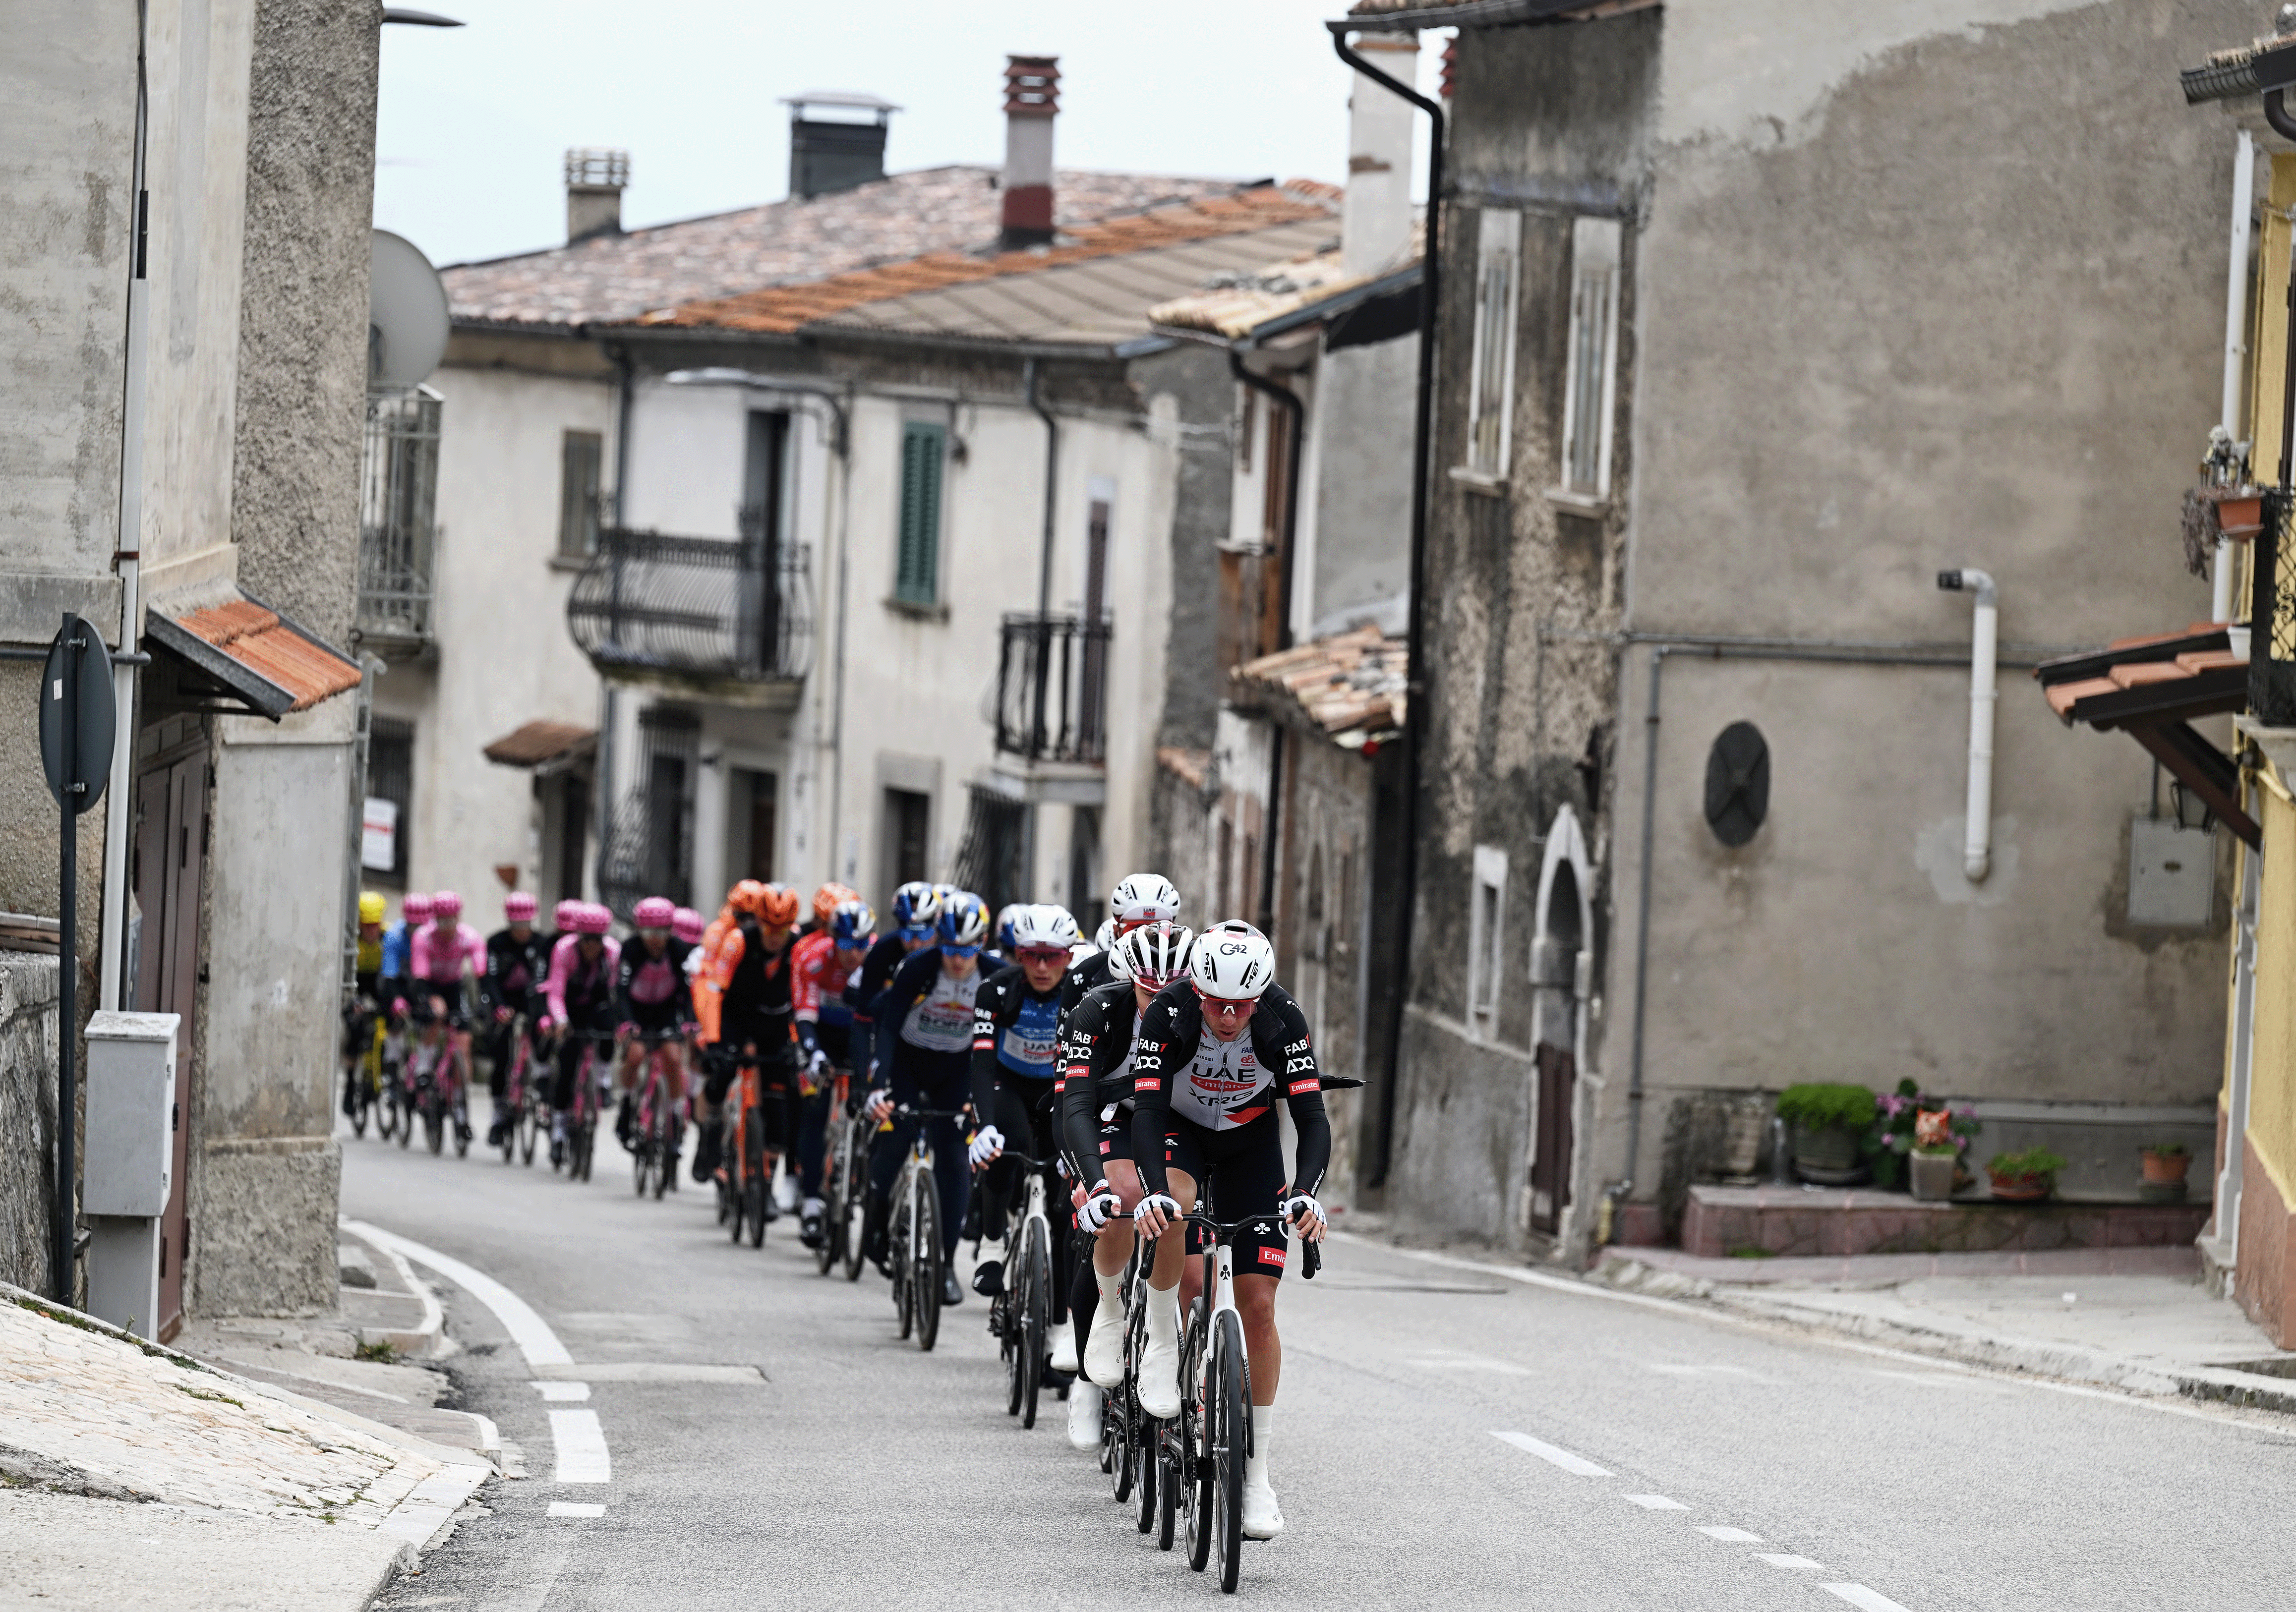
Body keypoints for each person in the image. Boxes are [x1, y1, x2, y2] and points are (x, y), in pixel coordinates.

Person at [1127, 921, 1329, 1541]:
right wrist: (1153, 1188)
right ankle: (1162, 1342)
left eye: (1242, 1005)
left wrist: (1305, 1193)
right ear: (1196, 990)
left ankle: (1257, 1475)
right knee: (1176, 1202)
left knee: (1259, 1307)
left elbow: (1312, 1119)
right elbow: (1147, 1111)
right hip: (1179, 1133)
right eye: (1216, 1003)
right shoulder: (1167, 1014)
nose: (1228, 1016)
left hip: (1249, 1144)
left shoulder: (1281, 1020)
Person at [1058, 920, 1192, 1450]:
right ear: (1131, 981)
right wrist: (1089, 1180)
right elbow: (1075, 1103)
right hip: (1108, 1113)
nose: (1159, 1005)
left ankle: (1189, 1369)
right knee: (1114, 1204)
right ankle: (1091, 1370)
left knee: (1188, 1234)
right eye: (1148, 994)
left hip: (1176, 1122)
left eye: (1171, 994)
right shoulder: (1098, 1009)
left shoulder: (1205, 1014)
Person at [862, 892, 988, 1304]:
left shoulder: (994, 975)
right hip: (908, 1062)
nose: (957, 960)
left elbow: (998, 1042)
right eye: (949, 949)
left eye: (966, 951)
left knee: (954, 1157)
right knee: (896, 1138)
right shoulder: (917, 967)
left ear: (982, 943)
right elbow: (888, 1027)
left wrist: (983, 1096)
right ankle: (877, 1215)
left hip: (955, 1068)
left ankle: (946, 1265)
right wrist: (877, 1086)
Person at [967, 906, 1078, 1359]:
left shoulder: (1081, 992)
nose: (1042, 967)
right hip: (1008, 1084)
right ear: (1017, 955)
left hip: (1058, 1089)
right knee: (1007, 1143)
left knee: (1063, 1212)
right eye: (1032, 955)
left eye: (1053, 957)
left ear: (1069, 956)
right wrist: (984, 1125)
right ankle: (992, 1244)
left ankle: (1059, 1330)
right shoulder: (995, 990)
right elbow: (980, 1061)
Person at [697, 882, 802, 1205]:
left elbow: (802, 1000)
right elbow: (714, 991)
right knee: (723, 1073)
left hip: (775, 1022)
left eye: (782, 931)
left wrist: (797, 1041)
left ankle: (765, 1185)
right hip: (737, 1018)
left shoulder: (797, 946)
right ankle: (711, 1131)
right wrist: (713, 1040)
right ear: (758, 922)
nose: (775, 937)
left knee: (779, 1104)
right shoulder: (737, 941)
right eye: (769, 929)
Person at [788, 897, 874, 1246]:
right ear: (833, 939)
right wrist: (814, 1053)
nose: (853, 954)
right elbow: (804, 1016)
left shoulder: (877, 960)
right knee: (816, 1112)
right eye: (846, 945)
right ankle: (810, 1204)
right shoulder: (814, 959)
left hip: (859, 1037)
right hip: (821, 1036)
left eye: (861, 946)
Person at [615, 896, 695, 1166]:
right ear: (640, 930)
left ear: (670, 930)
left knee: (673, 1057)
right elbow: (621, 991)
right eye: (648, 932)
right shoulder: (630, 949)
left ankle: (675, 1115)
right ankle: (627, 1106)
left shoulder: (680, 950)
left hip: (666, 1010)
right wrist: (627, 1023)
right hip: (636, 1010)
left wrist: (690, 1022)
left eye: (661, 932)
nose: (654, 939)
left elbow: (689, 992)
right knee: (636, 1055)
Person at [541, 902, 621, 1165]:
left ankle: (604, 1081)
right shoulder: (564, 950)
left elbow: (616, 994)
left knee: (609, 1028)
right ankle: (558, 1131)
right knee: (567, 1064)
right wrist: (561, 1021)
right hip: (570, 1007)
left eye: (597, 940)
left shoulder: (613, 953)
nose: (591, 947)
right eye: (586, 940)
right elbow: (555, 992)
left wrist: (621, 1024)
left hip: (597, 1005)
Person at [411, 890, 486, 1143]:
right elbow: (420, 976)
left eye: (451, 920)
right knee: (437, 1014)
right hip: (429, 985)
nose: (447, 926)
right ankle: (424, 1066)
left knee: (464, 1043)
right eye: (442, 921)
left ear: (459, 918)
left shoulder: (469, 937)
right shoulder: (424, 937)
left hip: (455, 987)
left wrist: (484, 1002)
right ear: (435, 919)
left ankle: (462, 1106)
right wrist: (429, 1002)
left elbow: (480, 972)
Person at [847, 881, 941, 1084]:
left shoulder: (950, 956)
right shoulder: (881, 952)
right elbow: (863, 1020)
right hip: (893, 1039)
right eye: (907, 934)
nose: (916, 944)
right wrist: (862, 1081)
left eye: (924, 934)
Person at [1060, 873, 1182, 1025]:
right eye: (1137, 928)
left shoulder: (1188, 969)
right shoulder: (1086, 975)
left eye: (1158, 928)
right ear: (1116, 931)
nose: (1146, 936)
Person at [480, 892, 551, 1146]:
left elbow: (544, 980)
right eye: (516, 924)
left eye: (525, 924)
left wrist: (541, 1012)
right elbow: (489, 978)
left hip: (532, 1000)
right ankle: (498, 1116)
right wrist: (499, 1007)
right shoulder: (496, 943)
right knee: (501, 1058)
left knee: (544, 1037)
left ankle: (542, 1083)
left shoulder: (542, 944)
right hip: (503, 1000)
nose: (521, 930)